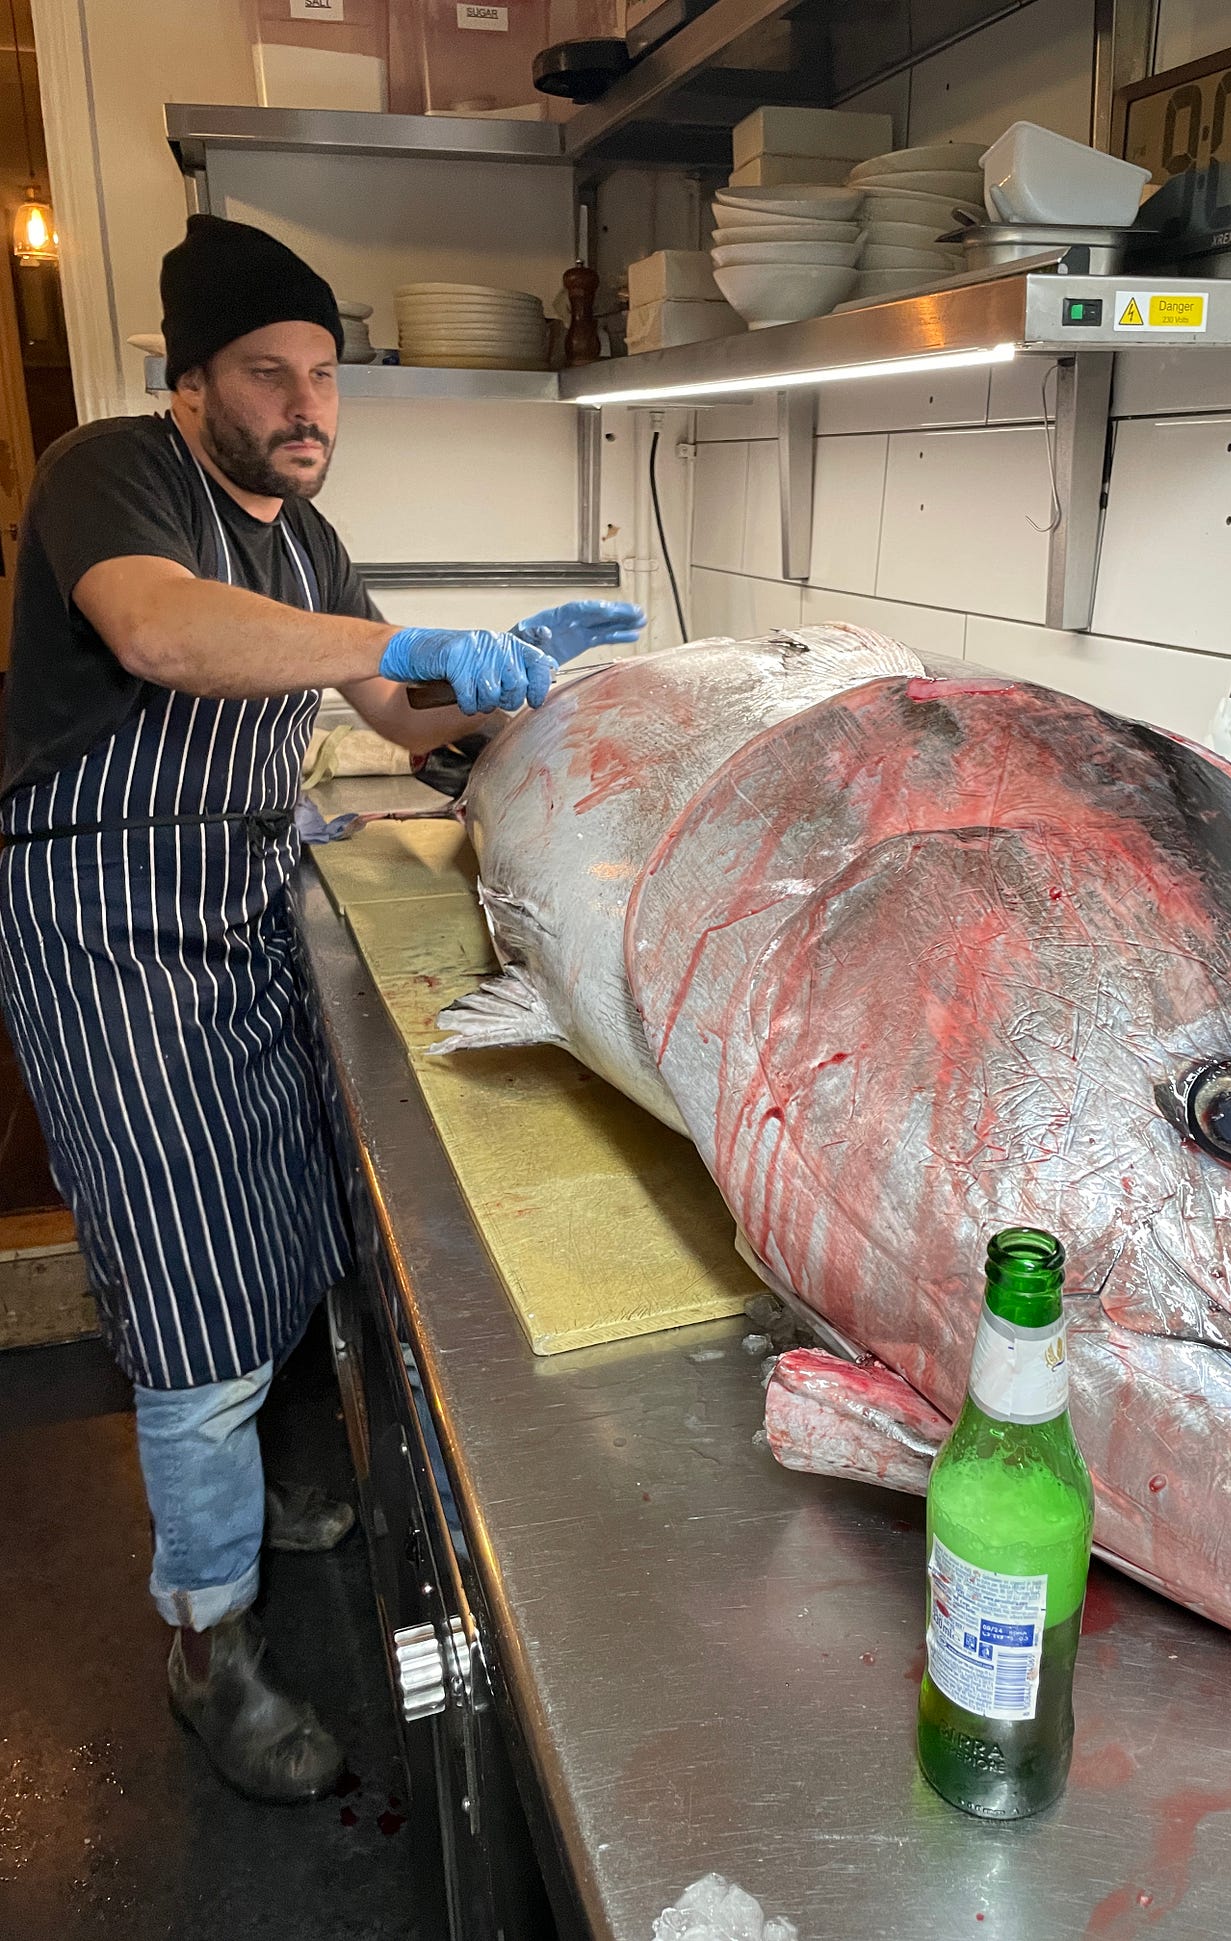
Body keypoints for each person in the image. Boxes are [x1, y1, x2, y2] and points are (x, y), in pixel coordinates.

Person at [0, 214, 644, 1803]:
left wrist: (508, 683)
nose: (305, 406)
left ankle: (255, 1494)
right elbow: (159, 628)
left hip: (234, 903)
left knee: (283, 1215)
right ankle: (207, 1642)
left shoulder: (304, 539)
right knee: (189, 1277)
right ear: (189, 382)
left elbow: (393, 710)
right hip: (103, 925)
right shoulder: (111, 473)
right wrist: (401, 637)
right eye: (266, 373)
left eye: (322, 375)